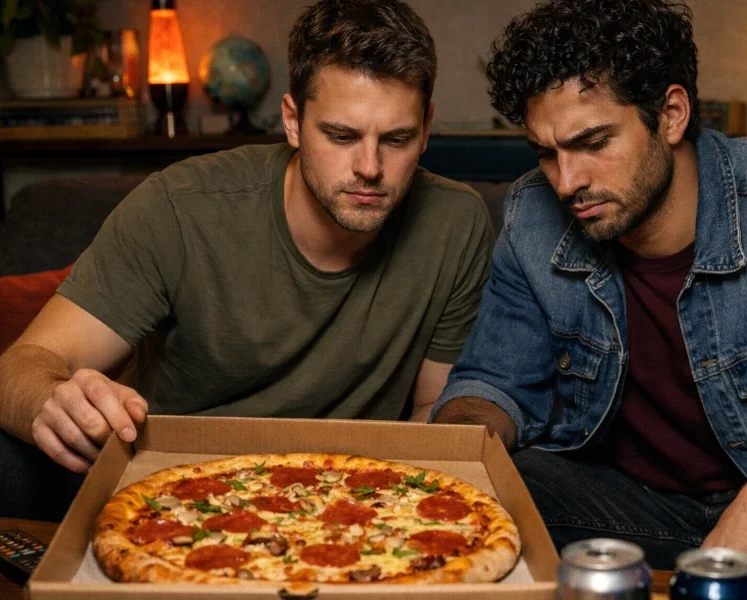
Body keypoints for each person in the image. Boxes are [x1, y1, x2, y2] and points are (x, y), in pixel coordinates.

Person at [431, 0, 747, 597]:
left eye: (593, 142)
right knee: (491, 495)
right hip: (629, 511)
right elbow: (494, 384)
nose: (566, 181)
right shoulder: (531, 215)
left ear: (671, 114)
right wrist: (459, 449)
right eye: (545, 151)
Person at [0, 0, 492, 519]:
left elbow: (431, 411)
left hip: (351, 499)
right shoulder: (178, 207)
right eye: (341, 136)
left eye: (396, 139)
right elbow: (20, 368)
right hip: (166, 491)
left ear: (426, 128)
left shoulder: (455, 223)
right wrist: (53, 404)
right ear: (293, 121)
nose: (370, 168)